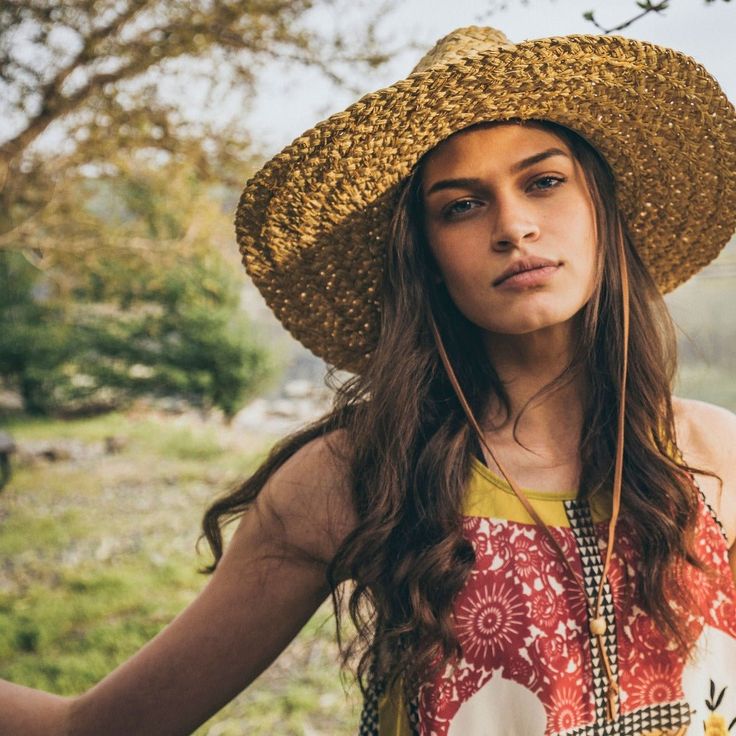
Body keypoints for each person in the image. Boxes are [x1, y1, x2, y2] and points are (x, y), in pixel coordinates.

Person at [2, 25, 736, 736]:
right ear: (426, 257)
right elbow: (92, 728)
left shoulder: (715, 455)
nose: (513, 226)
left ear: (601, 211)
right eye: (461, 205)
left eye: (544, 181)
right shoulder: (356, 475)